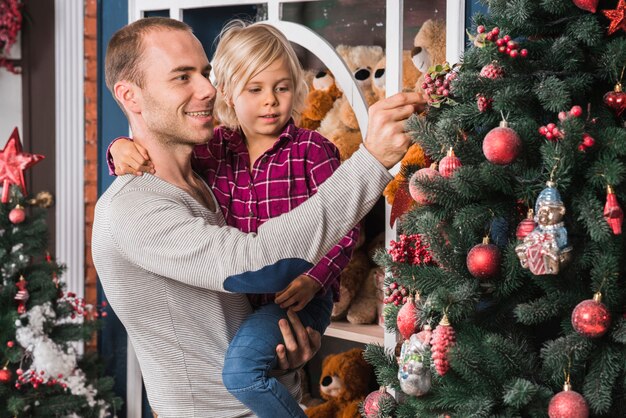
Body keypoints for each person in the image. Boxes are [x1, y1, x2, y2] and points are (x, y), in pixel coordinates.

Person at [92, 16, 419, 418]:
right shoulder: (134, 207)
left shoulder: (205, 178)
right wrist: (371, 161)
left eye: (205, 72)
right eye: (182, 77)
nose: (208, 89)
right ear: (130, 96)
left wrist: (286, 354)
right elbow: (258, 263)